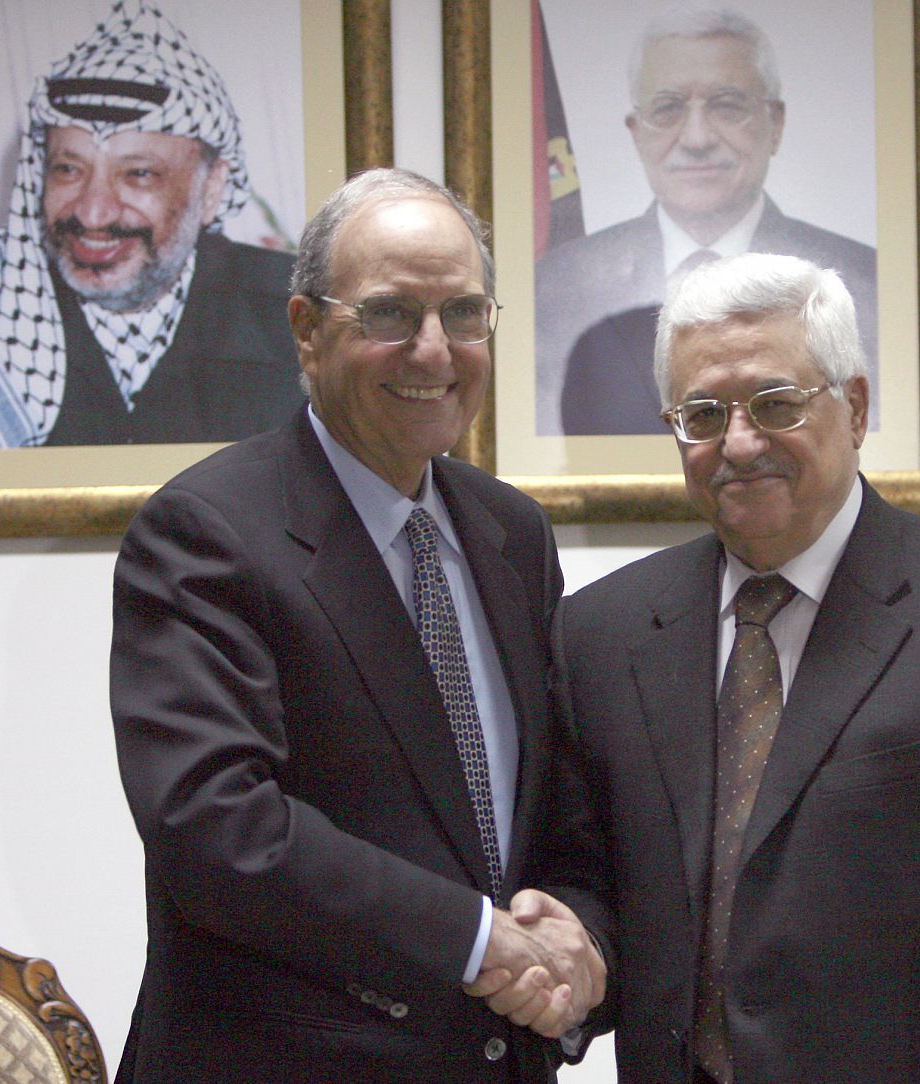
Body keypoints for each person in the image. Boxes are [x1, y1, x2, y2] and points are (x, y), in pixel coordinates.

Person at [487, 253, 920, 1080]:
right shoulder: (602, 633)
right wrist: (570, 949)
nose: (741, 442)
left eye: (776, 403)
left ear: (855, 406)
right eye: (703, 414)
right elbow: (598, 886)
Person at [109, 168, 604, 1082]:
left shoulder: (513, 534)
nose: (433, 351)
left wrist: (578, 940)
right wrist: (476, 943)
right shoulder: (205, 533)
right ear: (306, 329)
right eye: (389, 314)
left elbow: (557, 813)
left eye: (463, 312)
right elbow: (217, 830)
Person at [0, 0, 301, 448]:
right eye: (68, 169)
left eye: (138, 174)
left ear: (212, 188)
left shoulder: (296, 314)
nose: (92, 211)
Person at [533, 3, 879, 437]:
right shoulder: (551, 289)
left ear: (776, 124)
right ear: (636, 131)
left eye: (727, 106)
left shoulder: (869, 286)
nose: (696, 138)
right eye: (667, 109)